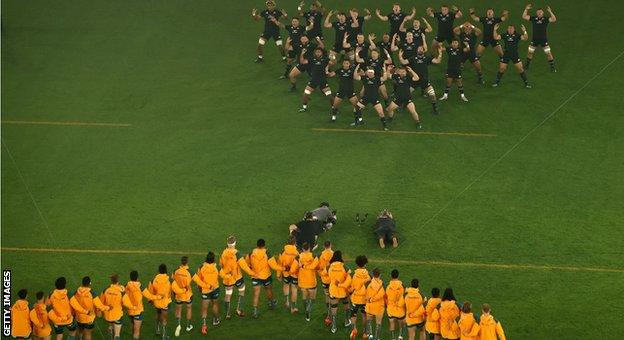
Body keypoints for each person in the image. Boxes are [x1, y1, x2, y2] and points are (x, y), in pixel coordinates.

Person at [238, 238, 283, 319]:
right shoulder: (267, 253)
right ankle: (271, 303)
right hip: (266, 276)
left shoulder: (251, 253)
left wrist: (251, 268)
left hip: (255, 276)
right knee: (269, 290)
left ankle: (255, 312)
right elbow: (274, 266)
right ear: (264, 245)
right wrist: (283, 269)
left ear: (257, 245)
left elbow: (246, 263)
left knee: (256, 293)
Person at [398, 45, 442, 115]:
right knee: (406, 93)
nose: (420, 50)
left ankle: (435, 108)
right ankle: (403, 106)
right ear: (417, 51)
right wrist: (400, 56)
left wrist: (440, 53)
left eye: (421, 49)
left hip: (424, 80)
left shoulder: (427, 58)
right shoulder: (413, 58)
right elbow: (403, 62)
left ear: (423, 51)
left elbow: (437, 61)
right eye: (419, 49)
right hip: (414, 80)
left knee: (432, 95)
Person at [492, 24, 531, 88]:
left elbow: (525, 38)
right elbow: (495, 37)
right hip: (506, 54)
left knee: (520, 69)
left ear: (514, 29)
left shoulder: (517, 35)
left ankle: (526, 83)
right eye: (509, 29)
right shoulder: (504, 35)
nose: (510, 30)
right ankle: (496, 82)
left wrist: (524, 31)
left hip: (514, 54)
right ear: (507, 29)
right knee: (502, 68)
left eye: (512, 29)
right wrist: (494, 30)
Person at [192, 253, 222, 335]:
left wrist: (199, 288)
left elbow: (199, 279)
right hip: (215, 289)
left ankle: (204, 326)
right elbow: (220, 275)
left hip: (205, 290)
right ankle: (215, 320)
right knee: (215, 304)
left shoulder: (201, 267)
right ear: (213, 259)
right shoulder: (216, 267)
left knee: (204, 308)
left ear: (206, 258)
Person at [298, 47, 335, 113]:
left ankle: (334, 108)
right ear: (315, 53)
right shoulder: (312, 59)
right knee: (305, 94)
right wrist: (302, 53)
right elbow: (302, 62)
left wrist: (333, 57)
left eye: (319, 52)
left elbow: (333, 63)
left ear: (321, 53)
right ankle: (304, 108)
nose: (318, 53)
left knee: (330, 96)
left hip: (322, 80)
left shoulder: (325, 59)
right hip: (314, 80)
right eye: (317, 52)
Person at [353, 65, 389, 130]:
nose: (370, 73)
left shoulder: (377, 78)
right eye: (369, 72)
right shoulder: (364, 78)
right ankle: (357, 121)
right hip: (365, 98)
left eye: (371, 72)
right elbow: (355, 77)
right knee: (356, 109)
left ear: (373, 72)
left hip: (375, 98)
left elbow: (384, 78)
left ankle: (385, 126)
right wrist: (356, 68)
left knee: (381, 112)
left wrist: (384, 71)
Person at [522, 4, 557, 72]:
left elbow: (554, 19)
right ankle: (527, 65)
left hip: (543, 40)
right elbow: (524, 16)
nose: (539, 13)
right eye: (538, 12)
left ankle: (552, 66)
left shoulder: (546, 19)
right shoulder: (533, 18)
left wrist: (550, 12)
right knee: (530, 52)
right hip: (534, 40)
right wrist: (526, 9)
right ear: (536, 13)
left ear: (543, 13)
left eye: (540, 12)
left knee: (548, 53)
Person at [143, 264, 172, 339]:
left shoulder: (153, 280)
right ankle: (164, 336)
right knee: (165, 319)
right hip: (165, 302)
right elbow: (173, 289)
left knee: (158, 314)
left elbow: (150, 292)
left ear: (158, 271)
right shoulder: (170, 280)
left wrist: (151, 300)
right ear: (166, 270)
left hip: (157, 302)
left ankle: (157, 329)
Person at [327, 250, 352, 334]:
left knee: (334, 307)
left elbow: (326, 275)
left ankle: (334, 326)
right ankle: (346, 321)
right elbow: (349, 275)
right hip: (343, 291)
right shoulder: (344, 266)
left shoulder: (330, 267)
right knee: (346, 305)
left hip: (333, 290)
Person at [348, 255, 370, 340]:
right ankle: (364, 332)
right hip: (364, 299)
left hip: (355, 299)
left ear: (357, 264)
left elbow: (352, 288)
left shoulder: (355, 275)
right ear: (365, 264)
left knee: (353, 315)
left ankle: (354, 329)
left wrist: (349, 292)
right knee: (364, 315)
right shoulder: (367, 275)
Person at [96, 274, 125, 340]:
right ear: (118, 281)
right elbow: (125, 302)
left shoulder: (106, 290)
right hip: (117, 315)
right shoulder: (121, 291)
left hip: (108, 315)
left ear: (111, 281)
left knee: (110, 326)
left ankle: (110, 331)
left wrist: (99, 311)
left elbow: (101, 302)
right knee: (117, 335)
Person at [297, 242, 319, 321]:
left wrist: (302, 266)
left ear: (302, 249)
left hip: (302, 281)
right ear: (309, 248)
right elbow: (314, 266)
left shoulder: (299, 256)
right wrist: (306, 266)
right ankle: (308, 310)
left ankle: (306, 311)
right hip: (311, 281)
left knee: (304, 298)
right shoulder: (313, 256)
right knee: (312, 299)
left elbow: (296, 267)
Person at [172, 256, 194, 336]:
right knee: (189, 309)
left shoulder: (175, 270)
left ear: (181, 262)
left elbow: (172, 280)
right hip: (188, 295)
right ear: (187, 262)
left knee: (178, 310)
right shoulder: (190, 272)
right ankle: (188, 326)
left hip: (178, 295)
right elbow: (196, 279)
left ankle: (178, 325)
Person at [123, 270, 147, 340]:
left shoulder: (126, 285)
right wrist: (157, 297)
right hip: (138, 310)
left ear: (130, 277)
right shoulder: (140, 286)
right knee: (137, 331)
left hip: (130, 310)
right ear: (137, 278)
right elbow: (148, 295)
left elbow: (121, 294)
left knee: (133, 326)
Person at [279, 235, 300, 313]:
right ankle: (293, 308)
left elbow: (280, 264)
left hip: (285, 273)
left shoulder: (282, 252)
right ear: (295, 242)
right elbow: (298, 264)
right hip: (294, 274)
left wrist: (278, 274)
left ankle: (287, 302)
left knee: (286, 285)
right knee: (294, 289)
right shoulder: (297, 252)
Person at [364, 268, 385, 340]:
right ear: (380, 275)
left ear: (373, 274)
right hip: (379, 307)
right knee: (378, 323)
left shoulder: (367, 283)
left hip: (370, 305)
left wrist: (370, 299)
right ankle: (377, 338)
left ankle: (370, 335)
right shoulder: (382, 284)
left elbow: (365, 294)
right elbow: (382, 295)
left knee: (369, 321)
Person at [386, 270, 407, 340]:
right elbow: (405, 295)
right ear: (398, 276)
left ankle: (393, 338)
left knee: (392, 324)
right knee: (403, 324)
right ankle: (400, 336)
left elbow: (386, 297)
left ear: (391, 276)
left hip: (390, 309)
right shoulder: (402, 286)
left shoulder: (388, 287)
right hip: (400, 310)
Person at [317, 240, 334, 325]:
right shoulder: (334, 255)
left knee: (326, 294)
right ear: (330, 245)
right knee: (332, 296)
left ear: (324, 246)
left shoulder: (321, 255)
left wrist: (320, 274)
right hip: (332, 279)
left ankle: (328, 311)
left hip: (324, 278)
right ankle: (331, 313)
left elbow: (319, 267)